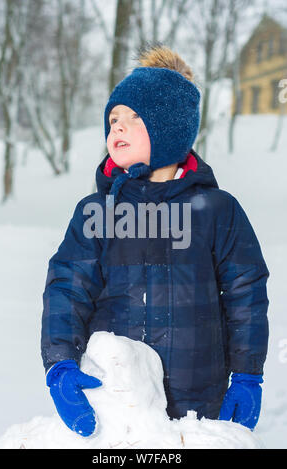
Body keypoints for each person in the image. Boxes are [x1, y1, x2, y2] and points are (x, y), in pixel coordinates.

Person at [41, 45, 270, 438]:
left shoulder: (215, 210)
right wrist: (60, 363)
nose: (117, 127)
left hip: (198, 407)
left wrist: (248, 374)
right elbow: (68, 287)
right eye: (113, 119)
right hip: (116, 401)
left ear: (169, 129)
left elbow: (245, 292)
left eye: (133, 118)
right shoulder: (98, 213)